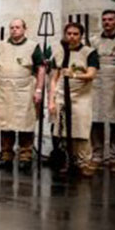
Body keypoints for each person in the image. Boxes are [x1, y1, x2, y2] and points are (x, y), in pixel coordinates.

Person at [0, 18, 46, 172]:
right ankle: (6, 156)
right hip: (4, 89)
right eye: (12, 27)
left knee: (25, 124)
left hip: (25, 89)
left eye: (18, 27)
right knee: (5, 123)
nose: (14, 30)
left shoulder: (32, 46)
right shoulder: (1, 46)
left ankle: (25, 157)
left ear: (24, 29)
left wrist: (39, 90)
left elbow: (41, 68)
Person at [48, 21, 99, 177]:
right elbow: (54, 79)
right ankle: (67, 161)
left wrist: (74, 75)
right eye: (69, 33)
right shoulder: (59, 52)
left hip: (81, 97)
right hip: (62, 95)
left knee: (80, 130)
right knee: (60, 130)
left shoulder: (89, 52)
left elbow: (91, 74)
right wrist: (51, 101)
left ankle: (83, 163)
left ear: (81, 36)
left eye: (75, 34)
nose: (72, 37)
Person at [90, 10, 115, 173]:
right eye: (104, 20)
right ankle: (97, 156)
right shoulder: (94, 41)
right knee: (96, 120)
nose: (107, 22)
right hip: (96, 83)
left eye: (110, 19)